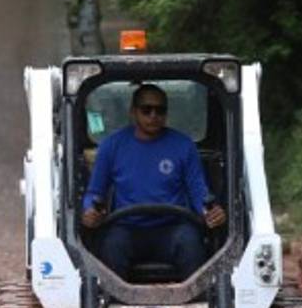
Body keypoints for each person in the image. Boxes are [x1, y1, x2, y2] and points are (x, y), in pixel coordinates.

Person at [81, 83, 226, 281]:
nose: (153, 116)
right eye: (146, 109)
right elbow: (94, 192)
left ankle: (199, 303)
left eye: (160, 110)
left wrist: (210, 211)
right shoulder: (111, 146)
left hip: (173, 227)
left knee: (191, 244)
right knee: (110, 246)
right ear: (133, 112)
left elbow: (198, 191)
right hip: (127, 228)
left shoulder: (184, 146)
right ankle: (109, 304)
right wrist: (90, 211)